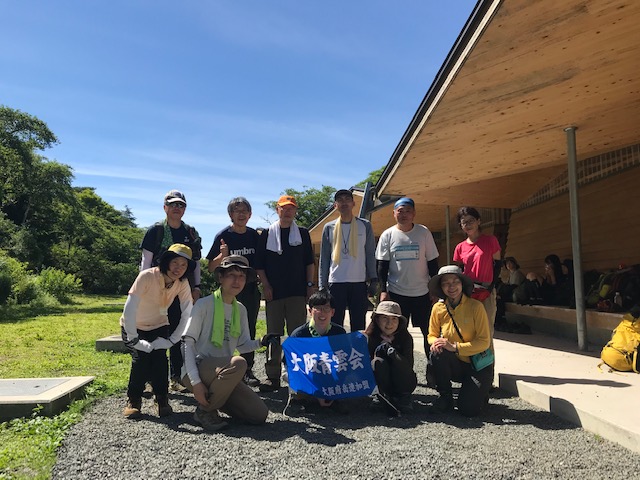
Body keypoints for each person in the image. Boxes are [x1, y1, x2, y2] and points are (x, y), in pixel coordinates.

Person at [181, 255, 280, 431]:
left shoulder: (240, 309)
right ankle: (204, 411)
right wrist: (196, 383)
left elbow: (242, 345)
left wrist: (261, 342)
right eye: (232, 275)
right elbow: (187, 343)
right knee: (239, 363)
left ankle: (214, 403)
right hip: (197, 368)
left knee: (259, 414)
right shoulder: (204, 304)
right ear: (220, 277)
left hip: (224, 374)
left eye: (242, 276)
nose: (237, 281)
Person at [120, 243, 195, 419]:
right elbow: (129, 308)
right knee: (141, 358)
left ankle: (161, 399)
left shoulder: (182, 283)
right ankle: (134, 400)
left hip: (159, 325)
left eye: (183, 265)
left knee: (160, 359)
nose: (178, 268)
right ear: (167, 261)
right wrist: (134, 339)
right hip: (133, 326)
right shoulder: (147, 276)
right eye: (175, 262)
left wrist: (172, 340)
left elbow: (187, 312)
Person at [139, 189, 202, 391]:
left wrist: (196, 287)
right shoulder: (156, 231)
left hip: (181, 290)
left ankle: (176, 377)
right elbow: (146, 261)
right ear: (165, 207)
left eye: (180, 205)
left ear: (185, 209)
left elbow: (196, 263)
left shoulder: (190, 232)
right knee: (152, 331)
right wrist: (144, 287)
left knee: (178, 332)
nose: (177, 208)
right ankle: (150, 379)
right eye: (173, 204)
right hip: (155, 289)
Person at [255, 194, 315, 392]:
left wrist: (310, 285)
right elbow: (259, 265)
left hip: (297, 291)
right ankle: (272, 376)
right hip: (274, 292)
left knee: (297, 334)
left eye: (291, 208)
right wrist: (266, 286)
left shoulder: (303, 233)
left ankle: (298, 373)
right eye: (284, 208)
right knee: (273, 334)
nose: (288, 212)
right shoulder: (267, 234)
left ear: (295, 211)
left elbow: (309, 262)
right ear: (277, 210)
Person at [206, 197, 262, 387]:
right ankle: (221, 366)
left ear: (250, 214)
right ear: (230, 214)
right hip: (228, 292)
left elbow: (261, 263)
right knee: (223, 328)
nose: (241, 214)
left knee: (249, 329)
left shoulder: (254, 236)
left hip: (250, 290)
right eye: (237, 211)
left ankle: (247, 370)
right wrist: (222, 256)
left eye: (245, 211)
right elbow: (211, 267)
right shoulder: (223, 236)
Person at [375, 197, 439, 355]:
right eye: (400, 211)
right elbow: (382, 266)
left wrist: (435, 289)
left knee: (428, 332)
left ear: (414, 213)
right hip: (397, 292)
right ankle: (400, 365)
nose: (404, 215)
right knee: (397, 333)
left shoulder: (423, 232)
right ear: (394, 214)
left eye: (408, 211)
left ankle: (432, 366)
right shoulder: (388, 235)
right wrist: (383, 290)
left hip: (422, 293)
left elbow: (432, 262)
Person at [427, 265, 493, 417]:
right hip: (455, 363)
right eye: (446, 283)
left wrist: (455, 347)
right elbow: (431, 335)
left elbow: (484, 342)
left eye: (455, 282)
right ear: (441, 287)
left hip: (477, 364)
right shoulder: (438, 308)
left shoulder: (476, 307)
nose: (451, 287)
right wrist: (436, 342)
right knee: (437, 353)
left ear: (462, 284)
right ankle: (445, 397)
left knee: (468, 410)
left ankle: (479, 392)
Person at [318, 189, 377, 331]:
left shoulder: (365, 225)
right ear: (335, 205)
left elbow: (370, 253)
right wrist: (322, 284)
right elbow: (324, 257)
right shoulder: (329, 227)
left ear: (353, 203)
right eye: (340, 200)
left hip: (358, 282)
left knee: (358, 323)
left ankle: (357, 346)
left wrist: (374, 278)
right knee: (335, 323)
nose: (344, 203)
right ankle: (337, 346)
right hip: (336, 282)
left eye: (347, 199)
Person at [282, 290, 348, 416]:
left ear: (333, 312)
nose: (322, 313)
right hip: (306, 373)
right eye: (318, 308)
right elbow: (288, 364)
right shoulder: (299, 334)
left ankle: (333, 398)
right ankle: (297, 399)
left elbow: (346, 360)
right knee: (294, 373)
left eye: (326, 308)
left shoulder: (339, 332)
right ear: (310, 311)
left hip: (329, 373)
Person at [453, 206, 501, 337]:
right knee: (468, 329)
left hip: (486, 290)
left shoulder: (490, 240)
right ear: (461, 226)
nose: (468, 225)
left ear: (478, 221)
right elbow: (459, 270)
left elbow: (497, 265)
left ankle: (487, 352)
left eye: (471, 221)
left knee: (486, 329)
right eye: (464, 222)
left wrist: (491, 287)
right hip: (468, 291)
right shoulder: (460, 247)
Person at [365, 301, 417, 416]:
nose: (389, 323)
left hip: (403, 380)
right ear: (377, 320)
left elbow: (408, 366)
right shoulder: (370, 337)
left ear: (399, 321)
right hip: (380, 380)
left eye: (394, 319)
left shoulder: (406, 338)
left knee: (401, 364)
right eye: (385, 318)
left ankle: (403, 397)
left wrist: (391, 352)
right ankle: (381, 395)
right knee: (377, 362)